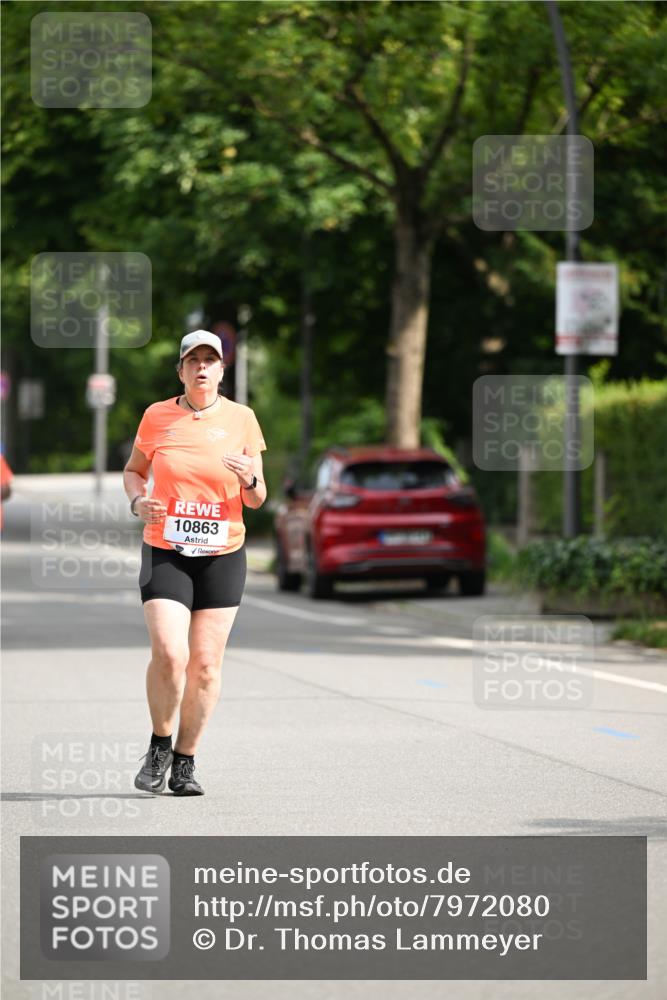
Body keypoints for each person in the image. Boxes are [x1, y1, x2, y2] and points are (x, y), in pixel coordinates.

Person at [123, 330, 267, 796]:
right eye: (193, 360)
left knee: (205, 666)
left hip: (223, 553)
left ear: (223, 371)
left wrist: (250, 480)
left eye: (211, 360)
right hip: (166, 547)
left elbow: (259, 498)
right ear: (181, 370)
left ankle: (185, 761)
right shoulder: (157, 416)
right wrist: (136, 502)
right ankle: (160, 742)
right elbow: (133, 471)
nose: (202, 367)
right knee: (170, 653)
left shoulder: (242, 419)